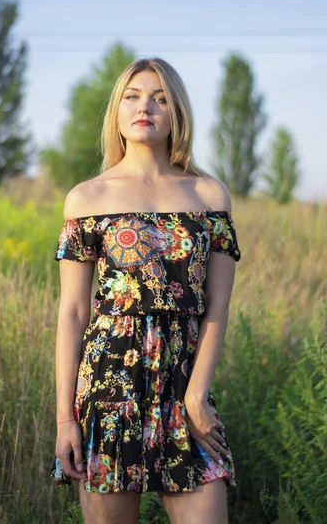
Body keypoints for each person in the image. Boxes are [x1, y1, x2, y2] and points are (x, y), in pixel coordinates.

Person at [50, 57, 241, 524]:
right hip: (108, 387)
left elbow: (217, 307)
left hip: (184, 387)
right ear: (116, 112)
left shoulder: (208, 196)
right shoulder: (87, 198)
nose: (145, 107)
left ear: (177, 112)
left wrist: (197, 395)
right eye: (132, 97)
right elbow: (73, 313)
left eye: (160, 98)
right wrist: (64, 420)